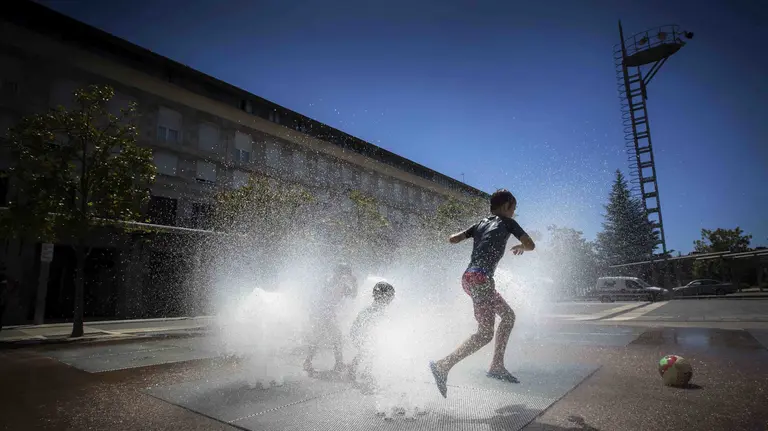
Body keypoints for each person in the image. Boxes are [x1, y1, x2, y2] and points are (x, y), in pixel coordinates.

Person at [429, 189, 536, 398]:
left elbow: (453, 239)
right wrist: (522, 246)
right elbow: (531, 245)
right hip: (481, 279)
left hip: (469, 278)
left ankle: (495, 365)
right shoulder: (508, 223)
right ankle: (444, 365)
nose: (513, 212)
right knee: (487, 332)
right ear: (506, 206)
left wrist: (467, 234)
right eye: (513, 208)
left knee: (505, 318)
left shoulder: (479, 223)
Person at [304, 263, 358, 374]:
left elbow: (353, 295)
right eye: (345, 273)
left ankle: (309, 362)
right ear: (339, 273)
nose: (346, 276)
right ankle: (336, 364)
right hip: (321, 313)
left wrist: (355, 283)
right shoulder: (330, 281)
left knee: (324, 338)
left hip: (327, 314)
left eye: (347, 274)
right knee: (333, 338)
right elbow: (322, 298)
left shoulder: (341, 284)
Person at [347, 281, 395, 387]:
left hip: (361, 333)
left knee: (371, 351)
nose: (392, 298)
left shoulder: (379, 306)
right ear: (382, 295)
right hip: (359, 333)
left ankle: (364, 371)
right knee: (367, 351)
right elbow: (366, 323)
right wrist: (365, 336)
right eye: (391, 295)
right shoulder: (376, 307)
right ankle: (354, 370)